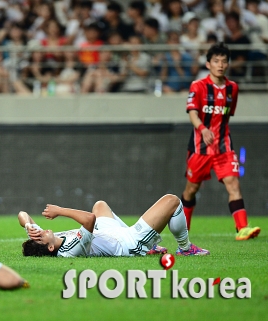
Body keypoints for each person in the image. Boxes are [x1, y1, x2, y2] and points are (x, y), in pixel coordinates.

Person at [181, 42, 261, 241]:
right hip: (200, 148)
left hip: (224, 147)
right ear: (208, 64)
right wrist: (203, 128)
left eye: (224, 61)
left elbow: (226, 117)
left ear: (228, 64)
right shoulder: (198, 86)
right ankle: (182, 231)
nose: (220, 65)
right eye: (216, 61)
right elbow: (192, 112)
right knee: (191, 190)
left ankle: (242, 228)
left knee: (233, 184)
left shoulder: (233, 88)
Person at [19, 194, 210, 257]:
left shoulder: (45, 240)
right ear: (50, 247)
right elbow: (89, 220)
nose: (42, 230)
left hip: (107, 233)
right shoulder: (70, 249)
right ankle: (186, 248)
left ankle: (152, 246)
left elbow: (22, 214)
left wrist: (28, 225)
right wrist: (60, 210)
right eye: (42, 235)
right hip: (127, 243)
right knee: (172, 201)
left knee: (100, 205)